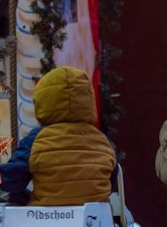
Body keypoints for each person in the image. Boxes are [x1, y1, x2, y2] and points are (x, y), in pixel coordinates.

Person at [25, 67, 118, 207]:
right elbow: (111, 177)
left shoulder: (37, 138)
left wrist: (23, 197)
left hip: (45, 220)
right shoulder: (101, 140)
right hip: (95, 219)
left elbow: (12, 179)